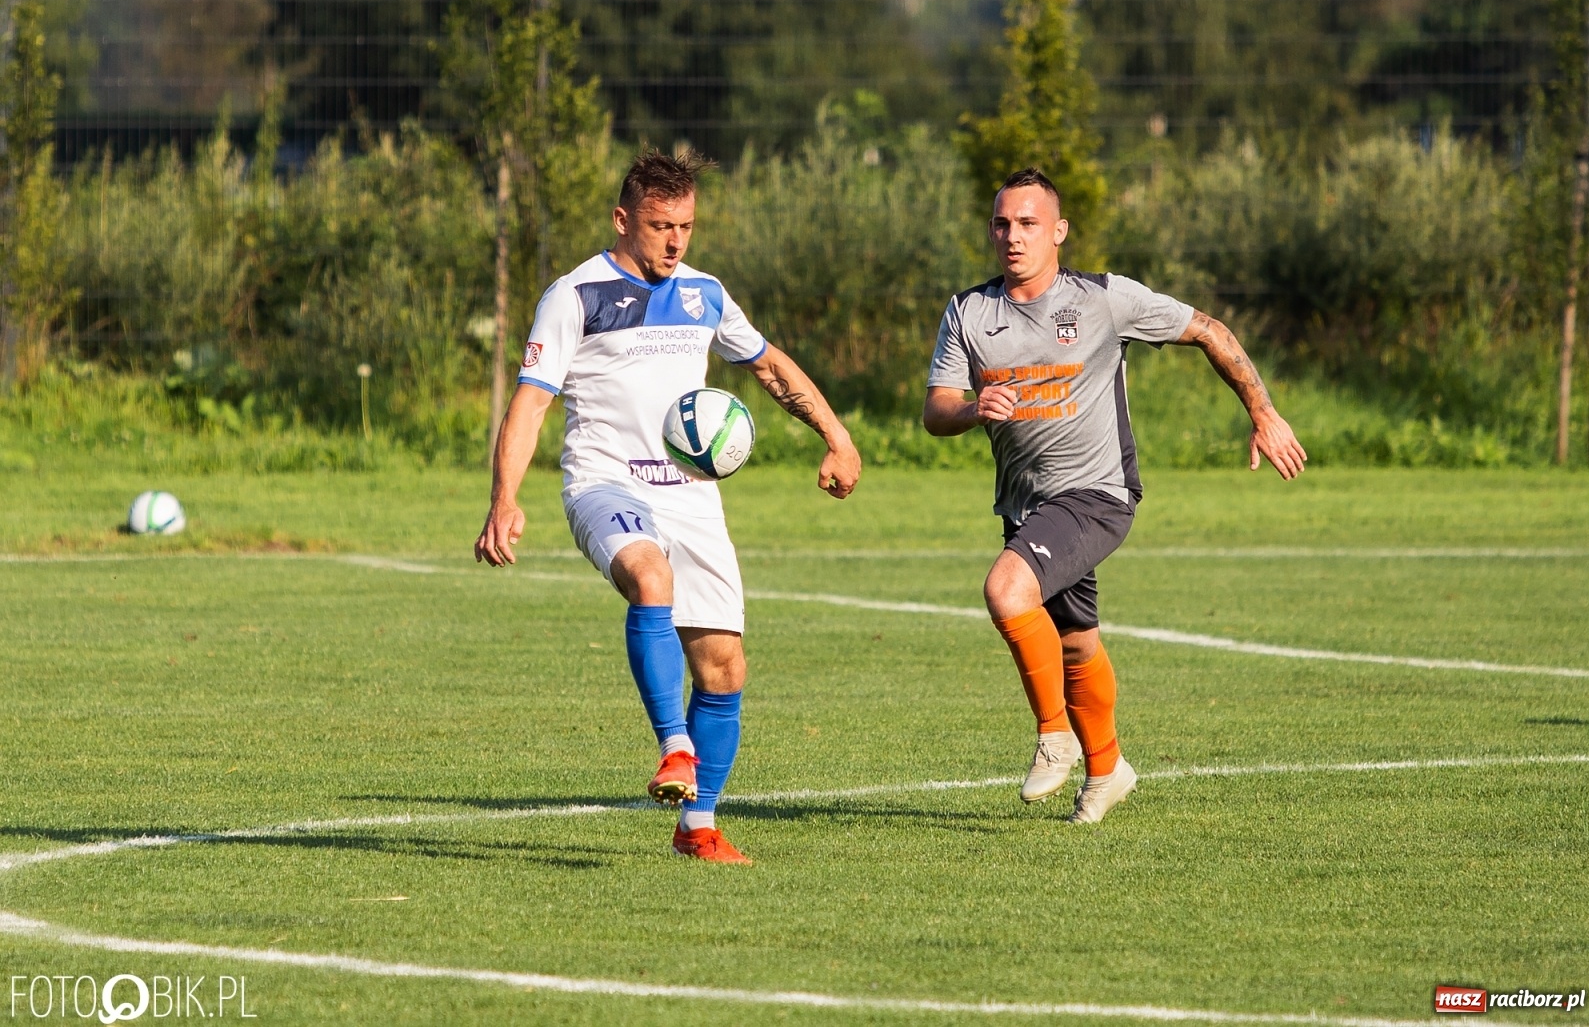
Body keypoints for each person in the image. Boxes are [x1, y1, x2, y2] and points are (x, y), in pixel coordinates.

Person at [475, 149, 862, 863]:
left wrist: (836, 436)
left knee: (724, 668)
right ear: (623, 220)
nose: (675, 240)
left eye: (685, 225)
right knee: (651, 579)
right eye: (660, 226)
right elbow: (530, 402)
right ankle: (674, 746)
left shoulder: (704, 293)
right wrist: (505, 498)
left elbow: (768, 364)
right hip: (606, 485)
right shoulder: (576, 294)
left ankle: (697, 828)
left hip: (691, 496)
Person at [923, 167, 1306, 824]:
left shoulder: (1102, 299)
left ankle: (1056, 736)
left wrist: (1263, 412)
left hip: (1098, 493)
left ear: (1059, 232)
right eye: (1002, 224)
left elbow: (1209, 329)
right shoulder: (969, 312)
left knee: (1006, 591)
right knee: (1074, 645)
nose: (1013, 236)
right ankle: (1108, 770)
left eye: (1029, 223)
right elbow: (937, 411)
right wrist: (971, 410)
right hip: (1027, 506)